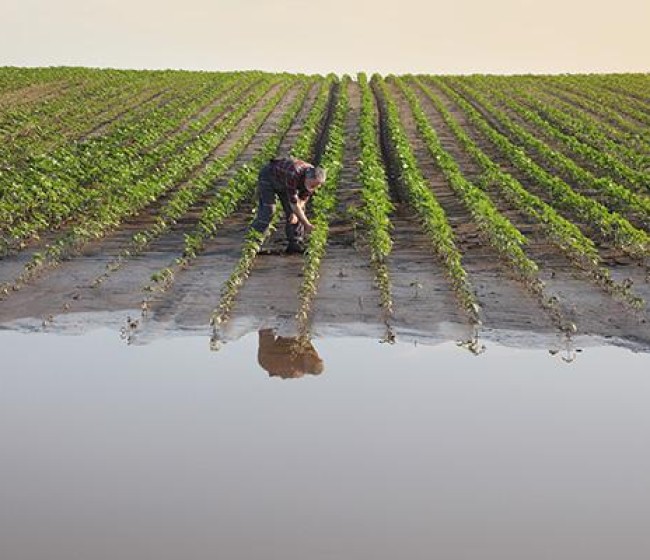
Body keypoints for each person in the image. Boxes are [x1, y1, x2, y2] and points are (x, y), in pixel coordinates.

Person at [250, 156, 327, 254]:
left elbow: (302, 200)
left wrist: (295, 214)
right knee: (269, 210)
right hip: (269, 176)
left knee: (296, 212)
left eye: (317, 186)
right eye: (313, 186)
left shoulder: (313, 177)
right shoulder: (293, 173)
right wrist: (307, 224)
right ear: (308, 178)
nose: (314, 188)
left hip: (284, 180)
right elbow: (294, 203)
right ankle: (254, 242)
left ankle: (295, 243)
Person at [257, 329, 324, 379]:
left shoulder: (293, 368)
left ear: (308, 365)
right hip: (282, 353)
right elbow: (305, 339)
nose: (312, 356)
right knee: (296, 333)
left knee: (267, 328)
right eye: (316, 358)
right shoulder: (312, 355)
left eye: (313, 359)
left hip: (267, 359)